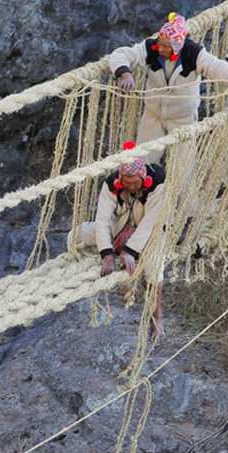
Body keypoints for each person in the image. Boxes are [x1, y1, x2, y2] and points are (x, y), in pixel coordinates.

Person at [110, 12, 228, 164]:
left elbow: (216, 66)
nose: (159, 48)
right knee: (142, 162)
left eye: (165, 46)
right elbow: (122, 54)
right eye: (159, 43)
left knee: (182, 167)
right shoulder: (150, 48)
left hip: (183, 120)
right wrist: (124, 73)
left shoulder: (193, 54)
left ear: (176, 48)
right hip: (153, 115)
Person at [70, 141, 167, 342]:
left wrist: (130, 251)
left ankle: (156, 313)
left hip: (151, 232)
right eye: (127, 183)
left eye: (135, 183)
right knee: (75, 235)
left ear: (143, 178)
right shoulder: (111, 183)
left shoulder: (158, 181)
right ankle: (107, 254)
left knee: (153, 265)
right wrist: (106, 253)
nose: (131, 187)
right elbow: (103, 219)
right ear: (121, 178)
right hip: (121, 227)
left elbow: (151, 222)